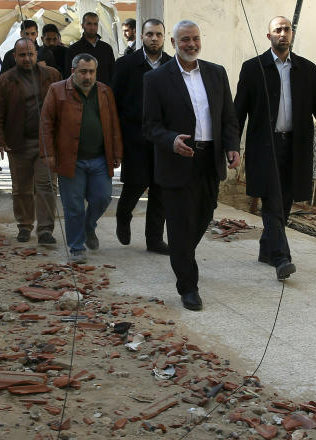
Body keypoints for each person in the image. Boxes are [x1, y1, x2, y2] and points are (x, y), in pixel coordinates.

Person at [234, 15, 316, 280]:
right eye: (277, 30)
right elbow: (238, 110)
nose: (283, 33)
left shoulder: (307, 69)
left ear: (291, 34)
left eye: (287, 29)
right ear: (268, 36)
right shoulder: (253, 68)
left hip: (296, 145)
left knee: (284, 201)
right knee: (271, 200)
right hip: (265, 145)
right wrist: (231, 146)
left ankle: (265, 248)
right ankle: (282, 258)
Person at [143, 20, 240, 311]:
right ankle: (188, 287)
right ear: (173, 43)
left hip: (209, 160)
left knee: (202, 216)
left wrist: (233, 146)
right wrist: (171, 140)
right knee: (180, 225)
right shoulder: (157, 79)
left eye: (195, 38)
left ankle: (183, 257)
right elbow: (149, 126)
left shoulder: (217, 73)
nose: (191, 44)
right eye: (184, 39)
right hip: (177, 160)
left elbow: (229, 119)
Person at [40, 53, 123, 263]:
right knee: (73, 205)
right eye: (83, 71)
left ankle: (89, 226)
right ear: (73, 71)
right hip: (70, 159)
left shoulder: (104, 91)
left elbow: (113, 123)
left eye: (92, 72)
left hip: (99, 159)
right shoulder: (57, 90)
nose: (88, 76)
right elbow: (46, 124)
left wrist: (116, 152)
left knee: (103, 197)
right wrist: (48, 153)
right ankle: (76, 246)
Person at [0, 38, 62, 244]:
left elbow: (63, 106)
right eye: (22, 55)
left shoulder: (52, 75)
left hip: (46, 144)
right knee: (21, 188)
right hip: (18, 143)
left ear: (37, 54)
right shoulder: (6, 80)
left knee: (47, 187)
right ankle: (24, 225)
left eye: (30, 54)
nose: (27, 58)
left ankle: (45, 230)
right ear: (14, 57)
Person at [111, 18, 170, 255]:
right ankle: (123, 216)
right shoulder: (126, 64)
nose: (154, 38)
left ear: (164, 38)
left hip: (164, 140)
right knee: (135, 184)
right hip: (135, 137)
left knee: (160, 190)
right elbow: (113, 102)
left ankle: (154, 240)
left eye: (158, 34)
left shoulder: (171, 65)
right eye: (149, 34)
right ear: (141, 37)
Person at [64, 12, 116, 86]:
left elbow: (113, 74)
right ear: (82, 25)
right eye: (89, 24)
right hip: (80, 93)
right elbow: (68, 76)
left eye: (95, 24)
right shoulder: (73, 49)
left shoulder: (106, 48)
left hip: (102, 93)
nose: (92, 27)